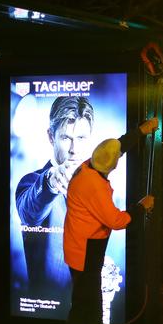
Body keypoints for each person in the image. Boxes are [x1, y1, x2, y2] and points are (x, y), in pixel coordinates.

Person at [50, 116, 158, 324]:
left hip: (82, 251)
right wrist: (142, 206)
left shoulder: (88, 166)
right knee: (83, 314)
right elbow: (116, 221)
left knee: (90, 312)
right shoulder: (94, 187)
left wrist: (142, 131)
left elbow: (117, 146)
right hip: (87, 254)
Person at [14, 96, 95, 305]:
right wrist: (50, 181)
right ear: (51, 136)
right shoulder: (31, 182)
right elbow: (31, 213)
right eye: (66, 138)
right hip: (47, 306)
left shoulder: (95, 187)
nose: (74, 149)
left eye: (81, 138)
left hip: (88, 306)